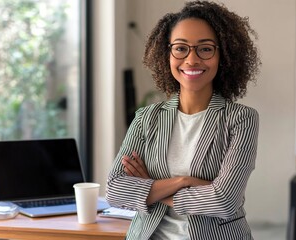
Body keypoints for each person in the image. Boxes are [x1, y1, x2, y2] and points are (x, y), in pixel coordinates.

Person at [106, 1, 261, 239]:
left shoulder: (241, 119)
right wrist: (183, 181)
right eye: (180, 48)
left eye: (205, 49)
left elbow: (224, 201)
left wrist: (152, 187)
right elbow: (116, 190)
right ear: (167, 54)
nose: (191, 59)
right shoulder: (146, 118)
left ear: (224, 55)